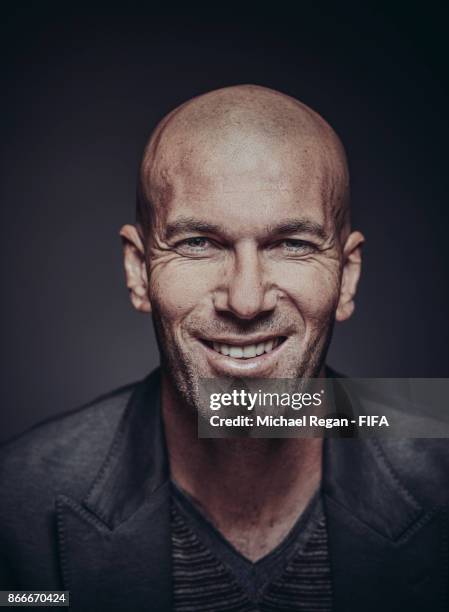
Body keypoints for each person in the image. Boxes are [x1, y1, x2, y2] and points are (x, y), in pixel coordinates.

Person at [0, 85, 447, 611]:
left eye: (293, 244)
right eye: (198, 243)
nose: (246, 299)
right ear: (137, 270)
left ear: (346, 278)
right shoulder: (18, 503)